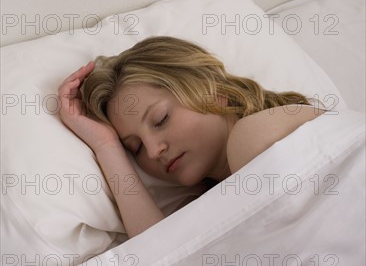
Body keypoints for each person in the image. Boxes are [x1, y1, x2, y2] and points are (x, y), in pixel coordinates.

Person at [58, 36, 326, 239]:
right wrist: (107, 147)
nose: (152, 151)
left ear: (212, 90)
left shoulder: (256, 134)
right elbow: (163, 263)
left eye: (160, 120)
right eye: (135, 148)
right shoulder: (210, 204)